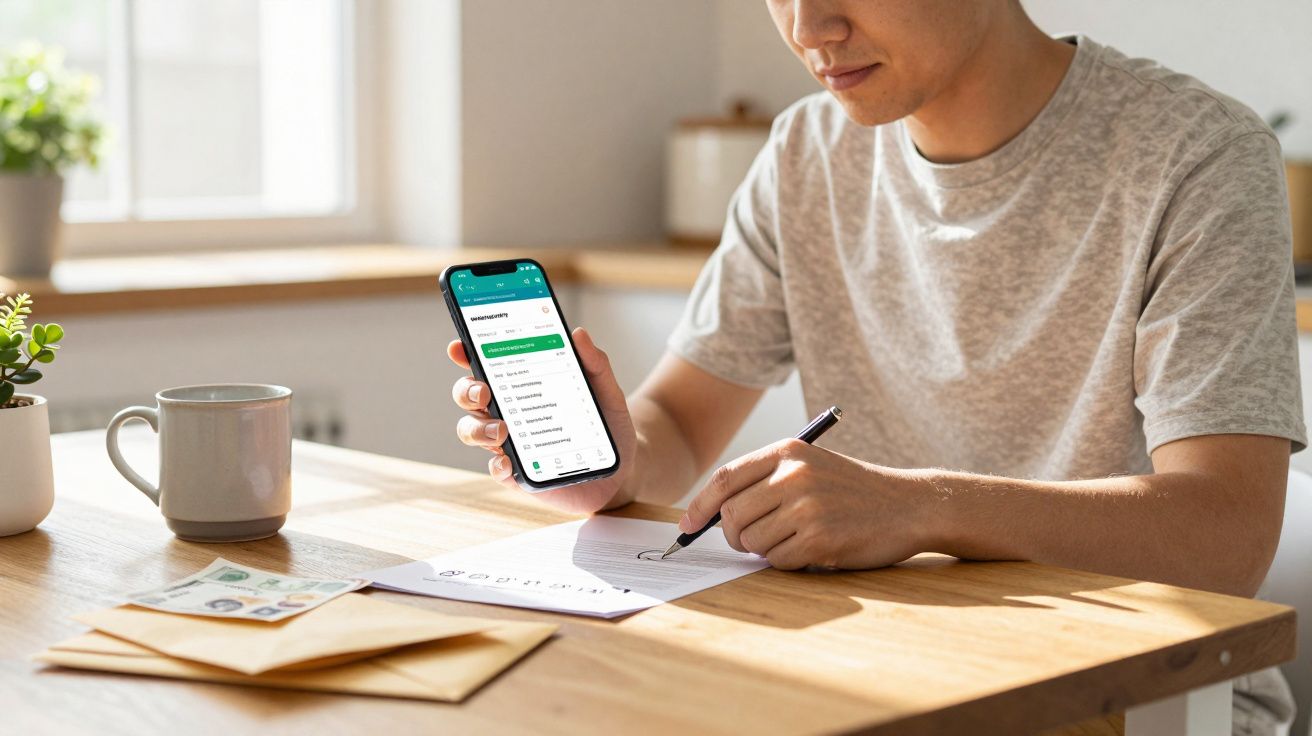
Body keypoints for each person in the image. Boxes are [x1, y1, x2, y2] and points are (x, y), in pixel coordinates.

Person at [447, 1, 1303, 732]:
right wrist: (612, 460)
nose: (809, 28)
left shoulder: (1199, 154)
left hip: (1140, 699)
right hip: (880, 672)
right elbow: (677, 422)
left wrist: (919, 506)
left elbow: (1226, 534)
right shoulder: (806, 152)